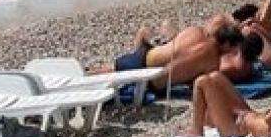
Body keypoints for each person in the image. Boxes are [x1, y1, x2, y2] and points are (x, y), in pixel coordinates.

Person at [103, 24, 256, 89]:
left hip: (148, 54)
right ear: (227, 44)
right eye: (233, 49)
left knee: (110, 69)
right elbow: (195, 86)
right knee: (113, 75)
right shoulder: (213, 63)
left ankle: (85, 74)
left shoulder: (196, 31)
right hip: (153, 81)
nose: (232, 53)